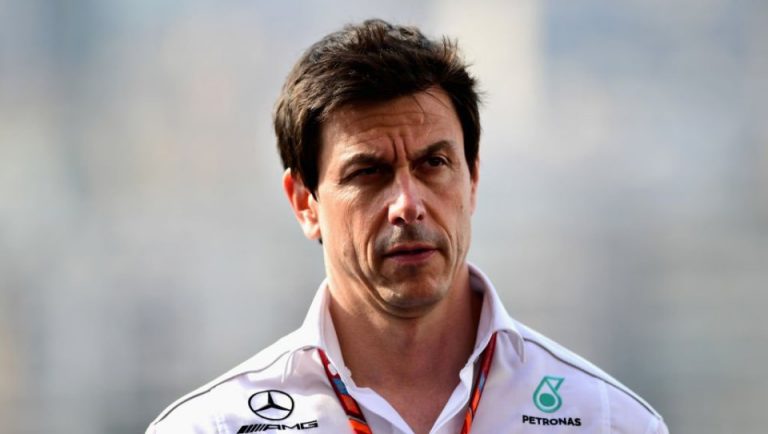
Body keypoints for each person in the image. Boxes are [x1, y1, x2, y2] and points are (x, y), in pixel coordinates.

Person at [146, 19, 668, 434]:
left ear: (473, 179)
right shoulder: (211, 427)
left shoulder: (608, 421)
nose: (408, 205)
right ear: (305, 202)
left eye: (433, 164)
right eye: (368, 172)